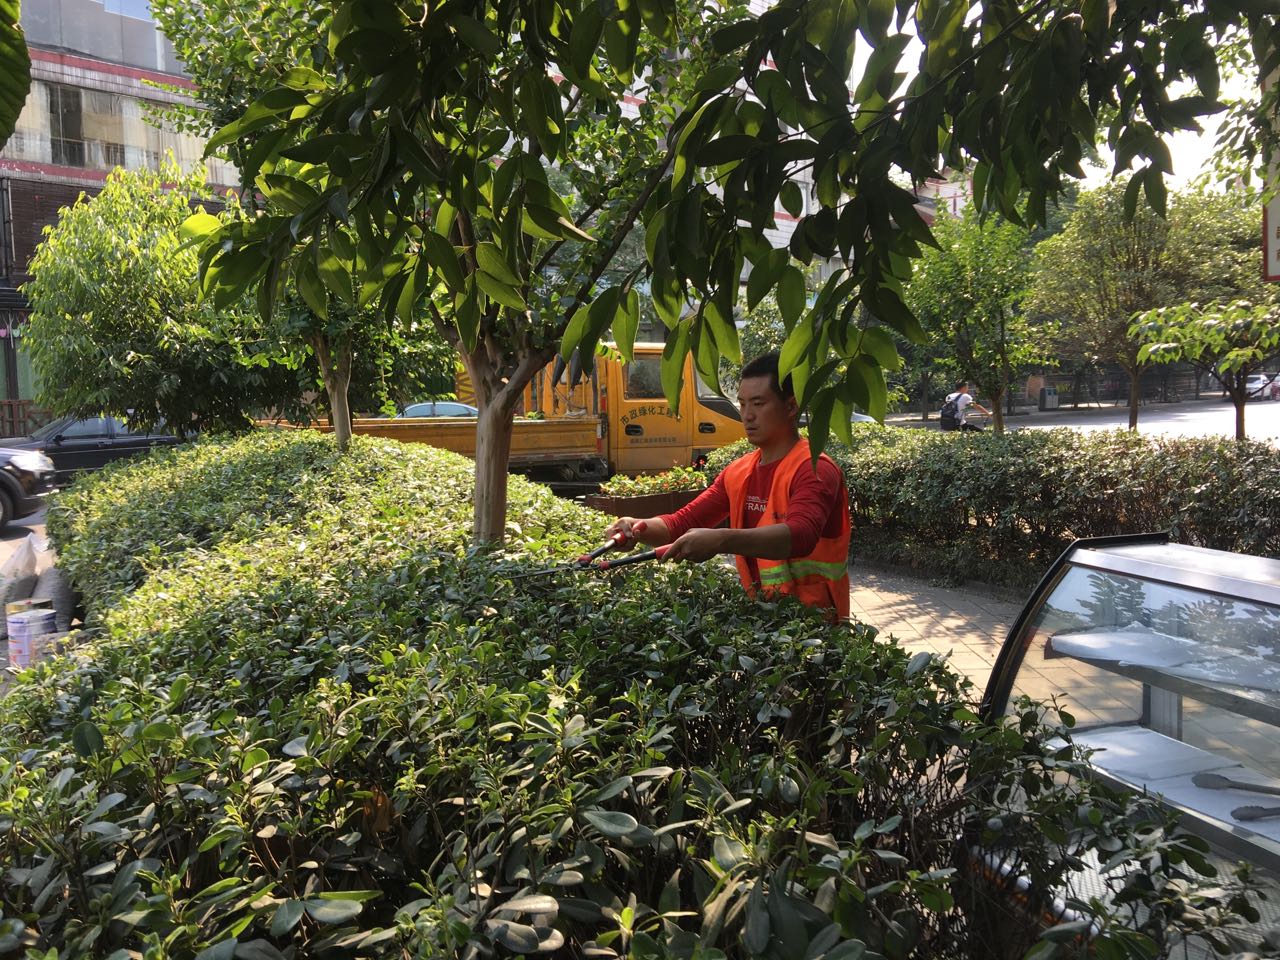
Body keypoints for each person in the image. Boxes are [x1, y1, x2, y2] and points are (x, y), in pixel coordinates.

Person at [604, 352, 851, 620]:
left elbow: (801, 535)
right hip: (763, 622)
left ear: (791, 406)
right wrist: (636, 527)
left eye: (758, 404)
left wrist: (721, 540)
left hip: (817, 628)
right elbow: (682, 522)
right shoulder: (739, 471)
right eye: (742, 404)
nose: (747, 415)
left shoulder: (815, 469)